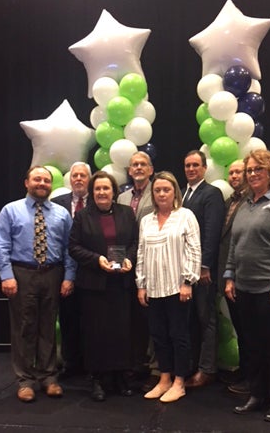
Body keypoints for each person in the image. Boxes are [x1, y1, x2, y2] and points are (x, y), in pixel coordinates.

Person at [224, 149, 270, 422]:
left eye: (258, 170)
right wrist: (230, 276)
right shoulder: (245, 205)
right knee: (251, 345)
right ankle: (257, 394)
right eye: (250, 170)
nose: (252, 174)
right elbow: (234, 244)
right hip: (243, 289)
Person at [0, 166, 76, 403]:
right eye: (37, 179)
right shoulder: (11, 211)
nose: (42, 183)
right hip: (21, 273)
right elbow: (1, 245)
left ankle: (49, 377)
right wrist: (6, 275)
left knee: (48, 326)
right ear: (26, 182)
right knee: (24, 328)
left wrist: (69, 276)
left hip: (53, 273)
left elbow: (69, 249)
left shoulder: (62, 214)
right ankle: (25, 381)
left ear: (51, 185)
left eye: (46, 180)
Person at [68, 170, 139, 402]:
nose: (101, 192)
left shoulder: (127, 213)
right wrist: (97, 260)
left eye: (106, 188)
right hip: (93, 285)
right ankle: (97, 379)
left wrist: (130, 257)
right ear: (92, 192)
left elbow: (135, 242)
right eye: (97, 188)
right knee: (95, 334)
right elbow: (74, 247)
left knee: (121, 332)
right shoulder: (82, 216)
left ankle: (120, 377)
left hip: (121, 283)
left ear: (114, 191)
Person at [136, 171, 201, 403]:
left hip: (177, 289)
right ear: (153, 194)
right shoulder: (146, 220)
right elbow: (141, 254)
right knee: (159, 336)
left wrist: (188, 282)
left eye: (166, 189)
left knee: (179, 336)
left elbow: (194, 251)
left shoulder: (186, 216)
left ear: (175, 192)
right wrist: (141, 285)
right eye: (157, 190)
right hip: (153, 289)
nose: (162, 193)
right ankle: (164, 379)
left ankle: (179, 382)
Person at [182, 150, 225, 387]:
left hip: (202, 271)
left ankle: (207, 369)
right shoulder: (182, 193)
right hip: (185, 270)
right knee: (190, 320)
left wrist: (205, 266)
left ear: (205, 168)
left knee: (206, 317)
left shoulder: (211, 193)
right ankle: (192, 365)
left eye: (195, 165)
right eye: (187, 165)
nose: (191, 169)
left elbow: (212, 232)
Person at [51, 161, 92, 378]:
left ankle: (90, 364)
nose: (78, 179)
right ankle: (70, 364)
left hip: (91, 271)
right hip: (63, 271)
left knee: (90, 319)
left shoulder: (98, 200)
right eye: (75, 175)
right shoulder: (57, 203)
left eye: (82, 176)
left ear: (89, 179)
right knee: (67, 318)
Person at [117, 151, 154, 384]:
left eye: (143, 164)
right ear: (129, 171)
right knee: (128, 317)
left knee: (151, 317)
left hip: (152, 263)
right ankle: (131, 362)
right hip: (124, 266)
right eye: (134, 165)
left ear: (150, 169)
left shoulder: (159, 191)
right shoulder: (121, 197)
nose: (138, 168)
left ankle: (152, 366)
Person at [217, 160, 249, 394]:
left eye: (239, 171)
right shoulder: (229, 201)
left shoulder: (253, 202)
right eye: (231, 172)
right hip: (228, 274)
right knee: (241, 326)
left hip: (247, 275)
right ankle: (246, 371)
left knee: (251, 330)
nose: (234, 175)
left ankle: (253, 377)